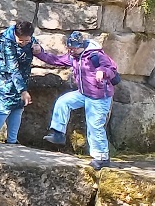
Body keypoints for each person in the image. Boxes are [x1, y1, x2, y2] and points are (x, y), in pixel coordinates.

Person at [34, 31, 119, 169]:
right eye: (70, 48)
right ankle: (58, 133)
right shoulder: (74, 57)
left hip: (99, 98)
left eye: (74, 48)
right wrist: (39, 53)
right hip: (84, 93)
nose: (71, 51)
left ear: (81, 45)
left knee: (95, 126)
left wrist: (103, 72)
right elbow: (55, 60)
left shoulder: (95, 55)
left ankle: (102, 157)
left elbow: (112, 69)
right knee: (63, 102)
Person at [0, 21, 37, 144]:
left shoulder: (29, 37)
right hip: (1, 77)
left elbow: (35, 45)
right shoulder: (6, 43)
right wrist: (23, 91)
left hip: (19, 78)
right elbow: (12, 68)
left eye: (27, 40)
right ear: (15, 35)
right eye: (21, 41)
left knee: (18, 108)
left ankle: (12, 141)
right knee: (4, 108)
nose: (24, 43)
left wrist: (38, 48)